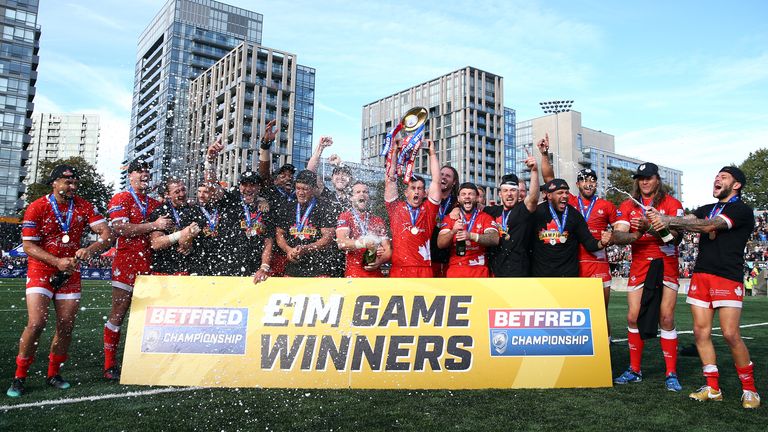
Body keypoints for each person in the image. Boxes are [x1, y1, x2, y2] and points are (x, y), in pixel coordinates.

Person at [651, 166, 760, 408]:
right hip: (701, 275)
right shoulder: (706, 208)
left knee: (731, 334)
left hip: (727, 276)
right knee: (701, 333)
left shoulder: (741, 210)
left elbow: (710, 225)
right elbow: (689, 221)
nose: (717, 179)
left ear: (737, 185)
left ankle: (750, 389)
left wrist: (667, 219)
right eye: (716, 176)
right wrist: (658, 220)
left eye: (723, 177)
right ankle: (712, 387)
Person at [7, 165, 112, 397]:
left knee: (65, 326)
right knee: (36, 324)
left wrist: (92, 248)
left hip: (70, 271)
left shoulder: (83, 206)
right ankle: (19, 376)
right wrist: (56, 261)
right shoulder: (37, 207)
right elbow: (28, 246)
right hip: (41, 270)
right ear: (54, 183)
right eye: (68, 183)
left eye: (75, 183)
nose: (72, 187)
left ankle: (53, 374)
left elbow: (107, 235)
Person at [611, 162, 685, 392]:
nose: (644, 181)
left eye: (648, 177)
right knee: (633, 317)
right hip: (639, 264)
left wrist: (651, 227)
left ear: (657, 179)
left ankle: (671, 373)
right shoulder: (627, 204)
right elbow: (619, 236)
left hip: (666, 263)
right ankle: (635, 370)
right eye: (640, 178)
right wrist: (637, 232)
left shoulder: (672, 204)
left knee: (666, 318)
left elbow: (674, 239)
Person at [540, 137, 619, 336]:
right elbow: (550, 180)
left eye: (593, 180)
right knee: (574, 313)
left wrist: (613, 236)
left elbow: (620, 229)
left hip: (599, 262)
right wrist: (544, 155)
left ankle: (606, 351)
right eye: (584, 179)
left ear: (597, 184)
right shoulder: (569, 200)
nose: (589, 183)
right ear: (577, 184)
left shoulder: (606, 205)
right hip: (575, 263)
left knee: (601, 312)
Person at [103, 158, 171, 381]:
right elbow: (121, 228)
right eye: (139, 171)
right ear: (130, 175)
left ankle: (142, 361)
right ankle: (109, 364)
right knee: (119, 314)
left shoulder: (153, 203)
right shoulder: (120, 198)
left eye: (146, 171)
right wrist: (153, 225)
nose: (144, 175)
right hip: (126, 263)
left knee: (148, 318)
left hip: (150, 265)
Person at [205, 138, 274, 282]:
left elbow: (268, 241)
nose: (248, 189)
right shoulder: (231, 201)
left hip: (253, 271)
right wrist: (210, 161)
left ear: (259, 188)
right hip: (225, 267)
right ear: (239, 186)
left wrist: (264, 267)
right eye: (244, 185)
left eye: (253, 185)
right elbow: (211, 186)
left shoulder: (265, 209)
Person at [384, 139, 442, 277]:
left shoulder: (429, 209)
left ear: (424, 193)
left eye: (420, 189)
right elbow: (390, 179)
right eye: (413, 188)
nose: (416, 192)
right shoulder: (395, 208)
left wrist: (432, 153)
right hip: (399, 269)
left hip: (424, 269)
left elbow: (436, 181)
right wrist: (395, 152)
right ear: (405, 192)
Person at [530, 179, 610, 277]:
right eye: (560, 193)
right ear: (549, 195)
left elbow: (589, 243)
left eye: (567, 192)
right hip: (541, 277)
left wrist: (602, 242)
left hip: (568, 277)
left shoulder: (575, 215)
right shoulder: (537, 213)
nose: (564, 196)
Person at [482, 152, 539, 277]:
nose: (509, 194)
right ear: (500, 194)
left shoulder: (523, 210)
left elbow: (534, 198)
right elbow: (470, 204)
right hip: (495, 272)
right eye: (505, 191)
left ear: (519, 194)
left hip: (518, 272)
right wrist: (457, 209)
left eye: (513, 190)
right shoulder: (491, 211)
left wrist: (534, 171)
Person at [306, 136, 352, 277]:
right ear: (331, 179)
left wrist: (340, 164)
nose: (340, 177)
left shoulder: (354, 200)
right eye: (337, 175)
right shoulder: (326, 195)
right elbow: (310, 173)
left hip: (349, 252)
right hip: (327, 254)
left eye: (345, 175)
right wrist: (320, 148)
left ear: (350, 179)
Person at [276, 170, 335, 277]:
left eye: (305, 189)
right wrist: (288, 250)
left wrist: (307, 249)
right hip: (293, 264)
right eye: (298, 188)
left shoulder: (324, 207)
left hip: (318, 266)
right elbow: (279, 234)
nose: (301, 193)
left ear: (313, 189)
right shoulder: (288, 207)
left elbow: (328, 238)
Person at [437, 182, 499, 277]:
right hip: (456, 270)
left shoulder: (485, 217)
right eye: (463, 194)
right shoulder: (450, 218)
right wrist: (453, 231)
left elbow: (495, 239)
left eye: (471, 194)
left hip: (479, 271)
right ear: (458, 198)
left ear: (477, 197)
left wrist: (471, 236)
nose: (467, 197)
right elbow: (440, 244)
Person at [336, 181, 392, 277]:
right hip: (354, 276)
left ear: (369, 197)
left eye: (365, 192)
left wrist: (380, 261)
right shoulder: (345, 216)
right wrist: (363, 243)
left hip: (376, 276)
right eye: (358, 192)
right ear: (351, 198)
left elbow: (388, 249)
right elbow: (341, 242)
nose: (362, 194)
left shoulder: (377, 220)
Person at [148, 178, 203, 275]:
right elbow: (155, 244)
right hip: (164, 269)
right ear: (167, 194)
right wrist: (181, 234)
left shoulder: (195, 209)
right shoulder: (161, 212)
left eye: (183, 190)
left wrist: (188, 240)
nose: (182, 194)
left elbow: (199, 234)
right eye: (177, 192)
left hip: (190, 268)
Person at [431, 165, 459, 277]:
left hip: (450, 259)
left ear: (454, 182)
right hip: (429, 258)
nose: (443, 177)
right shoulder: (428, 199)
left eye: (448, 176)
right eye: (441, 174)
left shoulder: (458, 203)